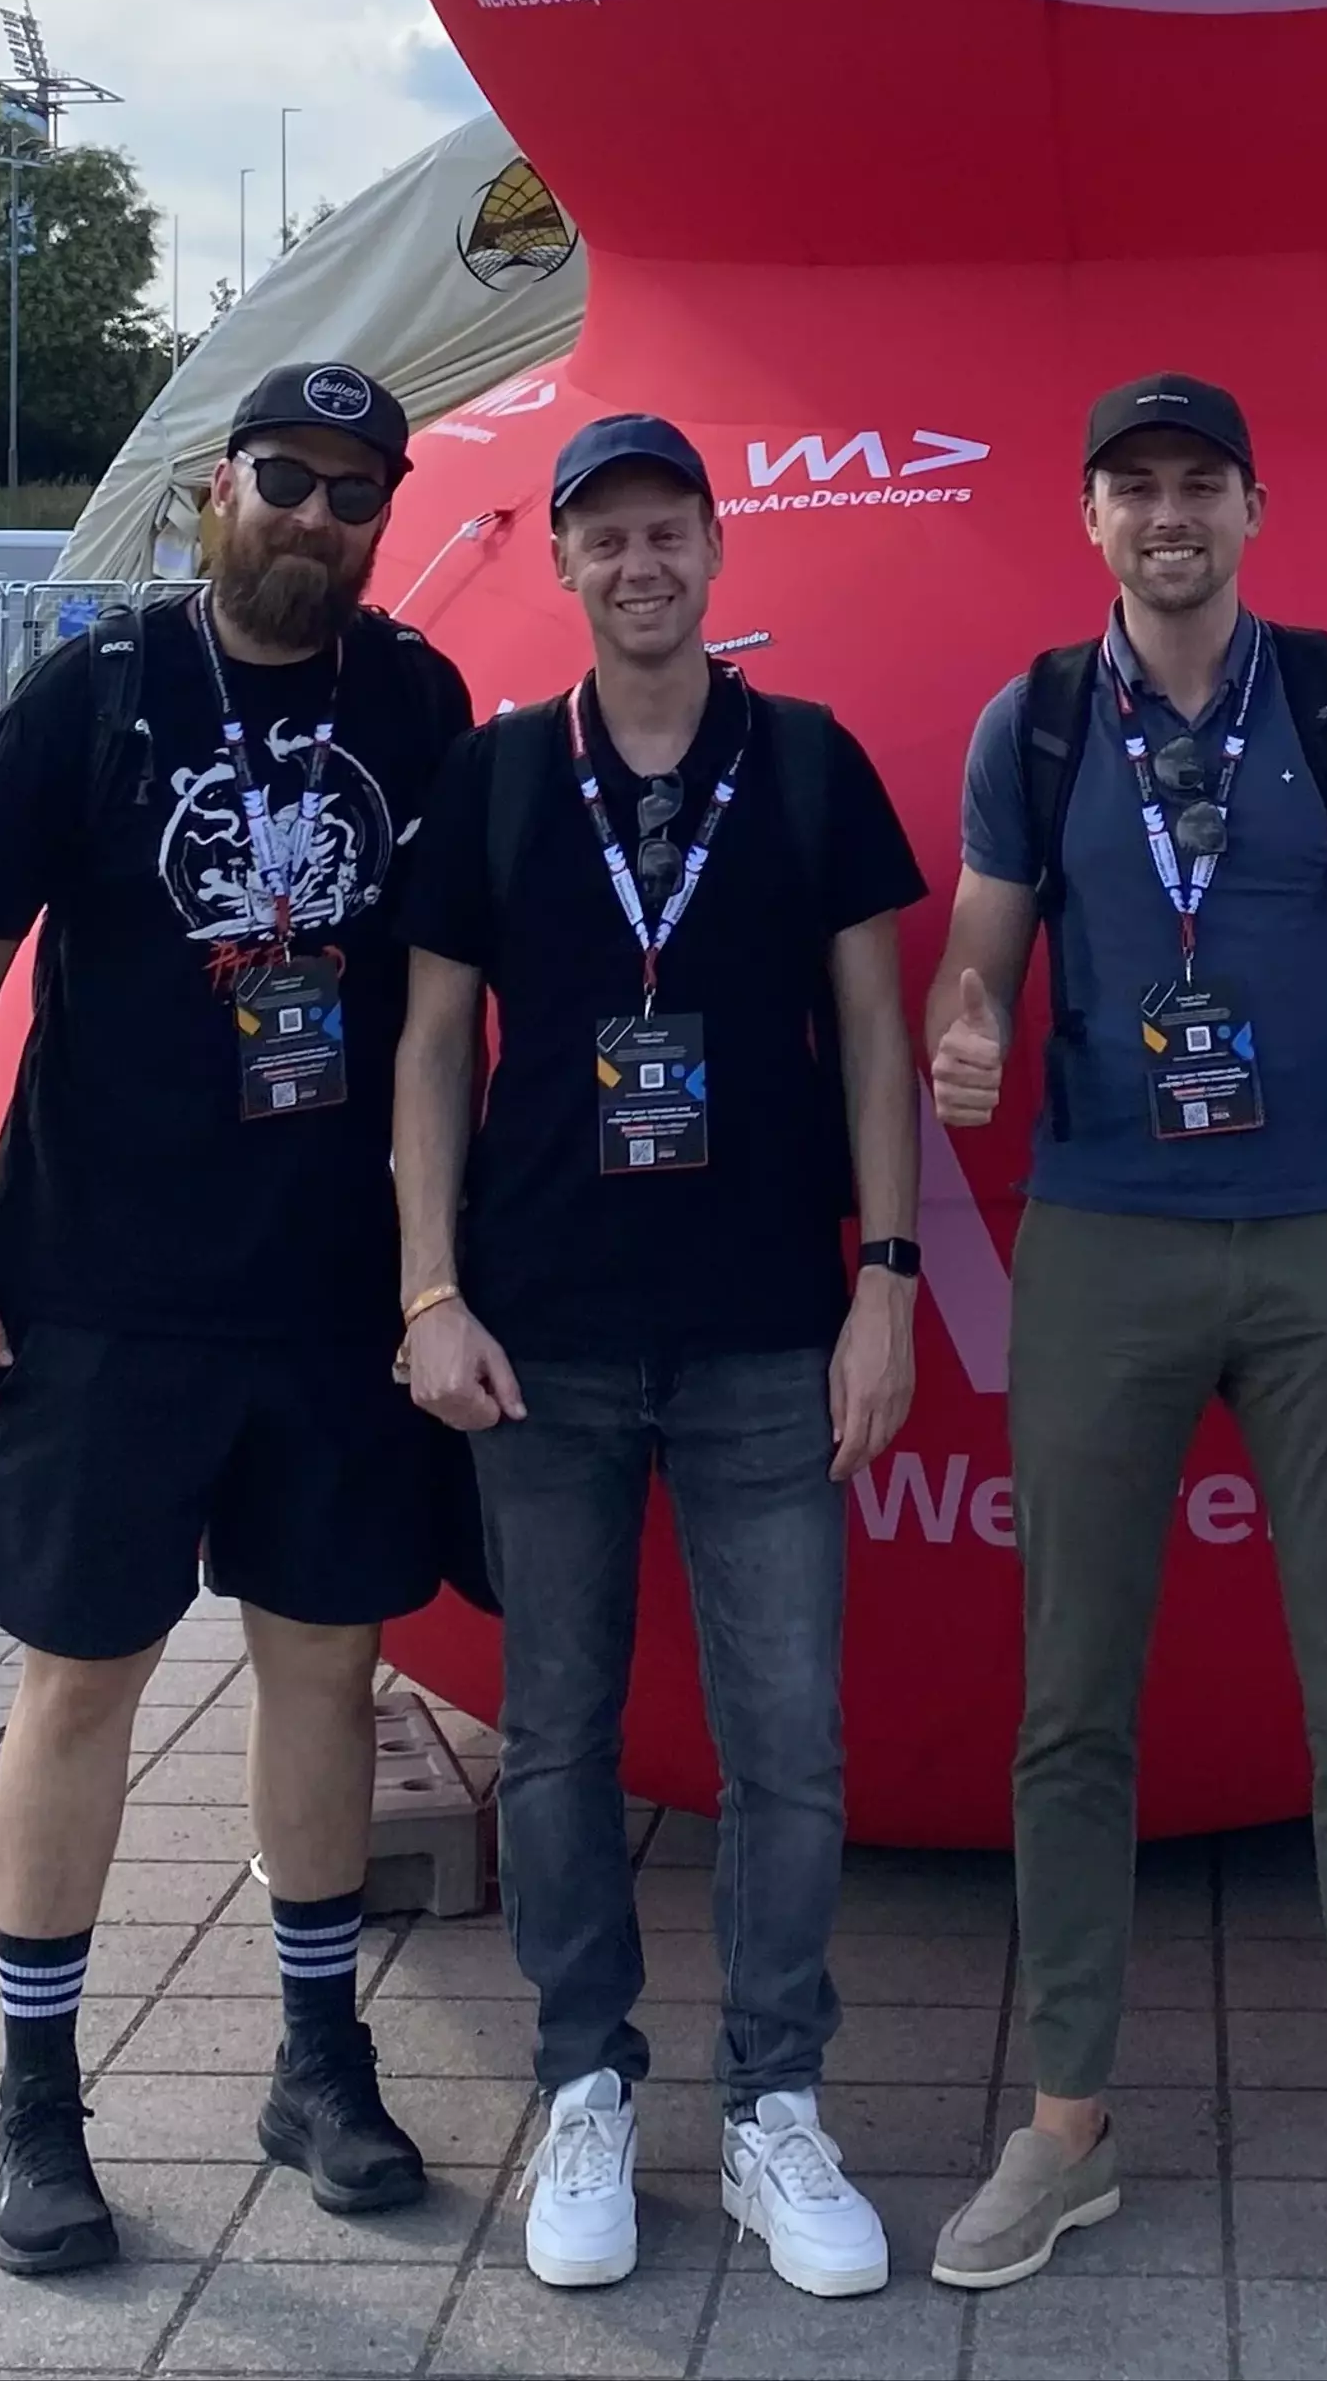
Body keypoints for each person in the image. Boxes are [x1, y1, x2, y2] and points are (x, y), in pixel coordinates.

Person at [921, 376, 1327, 2332]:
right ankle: (1068, 2120)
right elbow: (980, 953)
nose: (1169, 516)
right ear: (1091, 516)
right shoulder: (1044, 716)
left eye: (1200, 485)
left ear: (1253, 505)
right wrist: (972, 1027)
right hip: (1105, 1235)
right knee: (1071, 1701)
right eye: (1135, 488)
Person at [0, 362, 474, 2279]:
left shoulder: (414, 696)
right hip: (102, 1286)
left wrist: (427, 1271)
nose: (319, 515)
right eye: (288, 479)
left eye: (355, 491)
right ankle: (36, 2104)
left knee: (325, 1671)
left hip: (322, 1294)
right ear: (217, 490)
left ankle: (319, 2059)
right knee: (80, 1682)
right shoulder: (97, 694)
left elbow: (430, 1015)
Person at [393, 412, 926, 2305]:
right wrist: (426, 1287)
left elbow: (877, 1038)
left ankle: (778, 2099)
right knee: (555, 1734)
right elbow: (433, 1050)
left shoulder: (803, 765)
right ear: (561, 560)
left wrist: (885, 1277)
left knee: (790, 1742)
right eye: (603, 534)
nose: (639, 562)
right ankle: (584, 2082)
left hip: (771, 1331)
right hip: (542, 1339)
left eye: (667, 530)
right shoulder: (499, 780)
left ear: (718, 548)